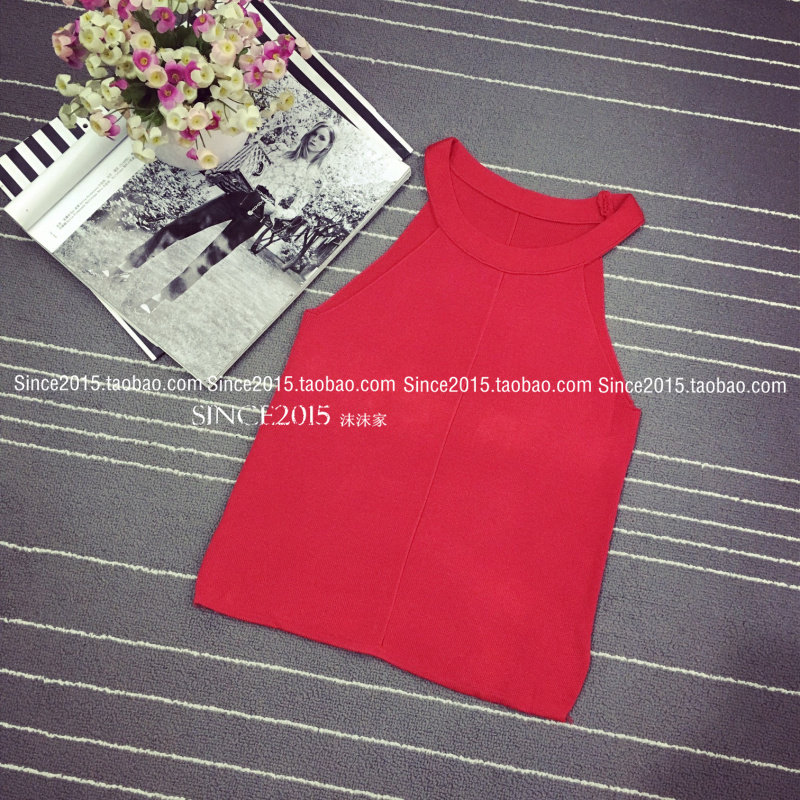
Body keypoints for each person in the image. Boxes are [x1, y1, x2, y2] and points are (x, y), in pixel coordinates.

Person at [100, 121, 336, 313]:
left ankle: (159, 299)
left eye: (322, 138)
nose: (315, 139)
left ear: (327, 146)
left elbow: (296, 210)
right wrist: (231, 177)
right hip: (242, 195)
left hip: (257, 215)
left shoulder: (314, 178)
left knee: (209, 258)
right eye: (314, 134)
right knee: (179, 227)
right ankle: (125, 267)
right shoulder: (284, 152)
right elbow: (257, 172)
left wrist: (276, 212)